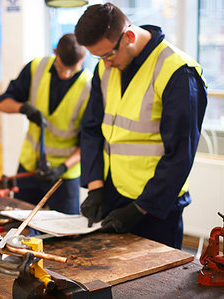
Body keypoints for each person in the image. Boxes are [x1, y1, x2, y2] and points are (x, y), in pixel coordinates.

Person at [74, 3, 207, 249]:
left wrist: (140, 208)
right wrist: (95, 188)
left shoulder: (178, 72)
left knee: (155, 285)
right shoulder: (105, 70)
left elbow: (180, 154)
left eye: (107, 55)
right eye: (98, 57)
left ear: (129, 37)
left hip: (156, 206)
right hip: (113, 195)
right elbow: (91, 130)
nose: (105, 64)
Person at [0, 33, 92, 214]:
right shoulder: (36, 68)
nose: (66, 74)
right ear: (55, 52)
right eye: (62, 68)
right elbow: (0, 102)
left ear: (84, 57)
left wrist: (62, 168)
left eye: (71, 70)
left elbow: (89, 141)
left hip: (64, 176)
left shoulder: (89, 87)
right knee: (20, 226)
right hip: (29, 169)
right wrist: (24, 109)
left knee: (65, 234)